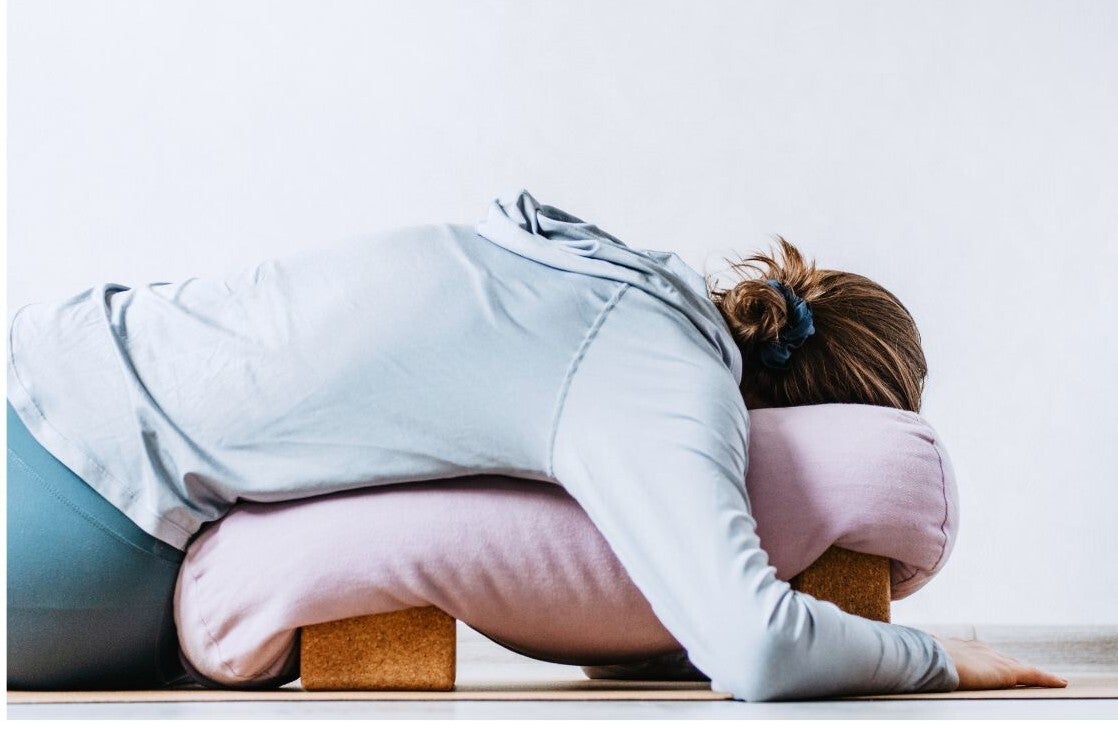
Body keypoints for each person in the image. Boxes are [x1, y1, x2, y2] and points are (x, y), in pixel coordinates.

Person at [6, 189, 1065, 698]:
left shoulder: (587, 269)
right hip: (78, 503)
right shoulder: (655, 378)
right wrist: (939, 661)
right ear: (804, 418)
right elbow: (757, 647)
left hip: (54, 374)